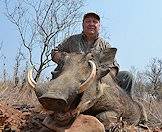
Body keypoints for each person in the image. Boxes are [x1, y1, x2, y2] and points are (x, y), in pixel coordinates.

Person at [51, 12, 133, 95]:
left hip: (97, 78)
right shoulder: (72, 40)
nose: (91, 24)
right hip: (73, 77)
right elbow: (55, 52)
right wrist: (65, 61)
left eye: (95, 22)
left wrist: (100, 76)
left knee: (126, 76)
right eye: (88, 21)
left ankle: (124, 106)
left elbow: (113, 66)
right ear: (83, 25)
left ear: (99, 26)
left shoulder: (105, 45)